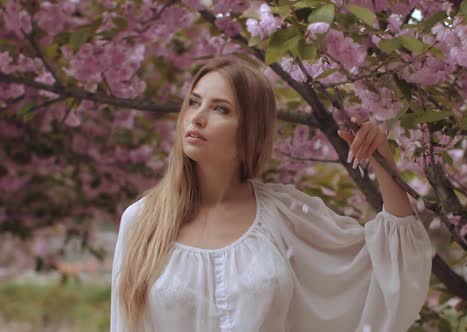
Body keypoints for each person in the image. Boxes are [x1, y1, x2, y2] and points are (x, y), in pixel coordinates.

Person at [110, 56, 434, 332]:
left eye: (220, 109)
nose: (197, 117)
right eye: (194, 102)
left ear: (250, 128)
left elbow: (386, 260)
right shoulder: (143, 221)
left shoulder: (283, 214)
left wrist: (383, 161)